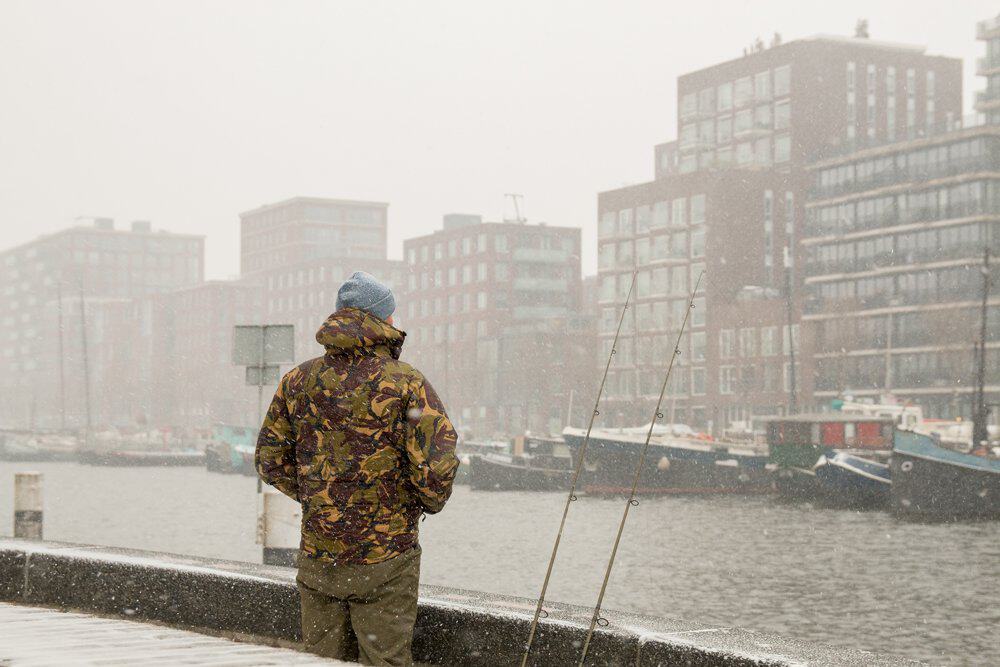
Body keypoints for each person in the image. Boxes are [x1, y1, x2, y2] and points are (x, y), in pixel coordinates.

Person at [255, 271, 460, 666]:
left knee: (322, 660)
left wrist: (321, 496)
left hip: (320, 557)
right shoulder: (405, 384)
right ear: (383, 320)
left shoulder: (297, 381)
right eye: (393, 315)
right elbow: (435, 466)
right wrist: (415, 506)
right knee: (385, 660)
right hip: (386, 558)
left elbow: (269, 458)